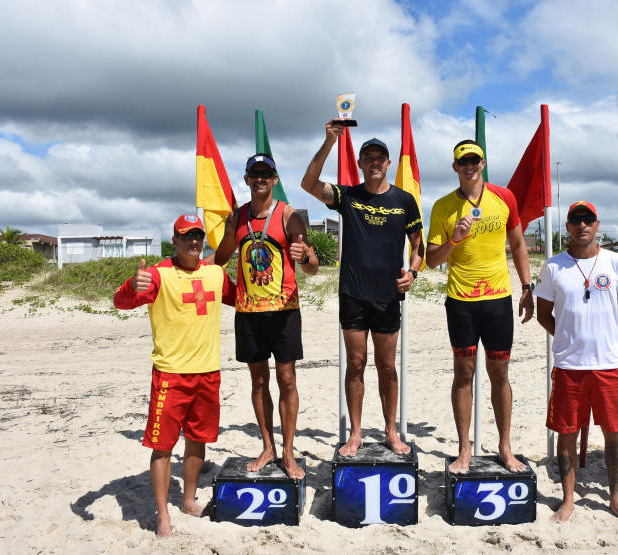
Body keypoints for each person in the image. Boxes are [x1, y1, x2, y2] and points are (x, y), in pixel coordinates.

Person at [300, 120, 424, 457]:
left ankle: (391, 432)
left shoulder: (404, 200)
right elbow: (308, 183)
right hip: (353, 293)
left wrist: (412, 272)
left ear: (387, 163)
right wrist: (328, 142)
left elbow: (418, 244)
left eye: (379, 158)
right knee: (355, 363)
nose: (373, 162)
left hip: (387, 296)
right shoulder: (347, 196)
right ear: (360, 163)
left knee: (386, 366)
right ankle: (355, 433)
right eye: (367, 157)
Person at [114, 215, 237, 537]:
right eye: (186, 236)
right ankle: (163, 517)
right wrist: (131, 285)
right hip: (171, 374)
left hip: (208, 371)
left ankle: (188, 499)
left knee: (198, 439)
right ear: (175, 241)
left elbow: (242, 300)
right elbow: (121, 303)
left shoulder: (214, 273)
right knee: (163, 445)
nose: (193, 241)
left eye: (198, 235)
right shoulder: (157, 275)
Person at [425, 140, 535, 474]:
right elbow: (431, 261)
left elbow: (517, 244)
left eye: (474, 160)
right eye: (463, 161)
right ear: (455, 167)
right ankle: (464, 450)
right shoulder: (443, 207)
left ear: (483, 163)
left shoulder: (504, 198)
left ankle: (505, 447)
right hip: (461, 303)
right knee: (464, 374)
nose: (469, 166)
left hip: (498, 301)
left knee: (499, 373)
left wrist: (527, 286)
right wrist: (454, 240)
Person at [534, 201, 618, 524]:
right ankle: (568, 500)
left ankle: (616, 499)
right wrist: (568, 339)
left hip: (609, 366)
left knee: (614, 432)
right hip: (569, 366)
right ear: (567, 227)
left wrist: (610, 338)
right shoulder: (553, 267)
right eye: (576, 220)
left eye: (588, 220)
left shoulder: (616, 262)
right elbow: (542, 315)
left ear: (597, 226)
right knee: (567, 433)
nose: (582, 225)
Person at [214, 153, 318, 480]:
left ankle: (288, 453)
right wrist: (179, 267)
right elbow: (218, 259)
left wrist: (307, 257)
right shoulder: (237, 218)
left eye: (266, 173)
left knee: (286, 379)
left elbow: (312, 268)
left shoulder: (289, 217)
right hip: (248, 313)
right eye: (254, 173)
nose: (260, 178)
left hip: (284, 311)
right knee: (258, 381)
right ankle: (267, 446)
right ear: (246, 179)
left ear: (275, 179)